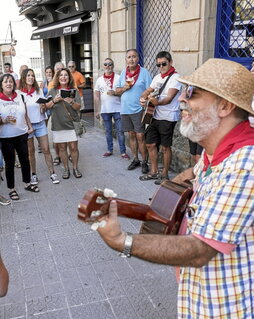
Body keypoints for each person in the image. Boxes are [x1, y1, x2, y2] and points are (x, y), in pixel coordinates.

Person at [90, 58, 254, 318]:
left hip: (223, 307)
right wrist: (170, 187)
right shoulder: (218, 153)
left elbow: (200, 250)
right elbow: (195, 175)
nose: (182, 100)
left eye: (193, 93)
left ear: (224, 106)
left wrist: (122, 241)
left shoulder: (245, 165)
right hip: (199, 295)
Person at [139, 51, 181, 184]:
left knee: (165, 147)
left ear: (170, 62)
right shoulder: (157, 77)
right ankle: (153, 171)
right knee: (150, 144)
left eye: (164, 64)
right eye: (158, 65)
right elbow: (148, 90)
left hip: (168, 117)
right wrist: (143, 97)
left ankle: (164, 174)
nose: (161, 67)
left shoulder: (176, 78)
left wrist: (158, 103)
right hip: (154, 116)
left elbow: (169, 98)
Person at [0, 74, 38, 200]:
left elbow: (25, 114)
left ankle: (27, 183)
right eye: (5, 82)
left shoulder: (20, 96)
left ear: (14, 84)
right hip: (5, 137)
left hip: (22, 134)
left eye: (10, 81)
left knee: (25, 160)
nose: (8, 84)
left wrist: (30, 126)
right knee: (10, 163)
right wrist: (3, 120)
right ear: (1, 84)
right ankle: (12, 189)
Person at [19, 68, 60, 185]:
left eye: (32, 75)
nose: (31, 77)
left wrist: (44, 107)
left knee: (46, 149)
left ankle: (52, 173)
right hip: (27, 126)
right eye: (28, 76)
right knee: (30, 152)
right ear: (24, 78)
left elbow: (45, 105)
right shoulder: (20, 93)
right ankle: (33, 174)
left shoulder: (38, 91)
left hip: (41, 123)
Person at [115, 49, 152, 174]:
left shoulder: (144, 72)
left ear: (138, 58)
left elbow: (151, 90)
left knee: (140, 136)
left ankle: (144, 162)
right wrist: (125, 87)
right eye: (129, 57)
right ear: (126, 59)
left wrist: (145, 100)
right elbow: (117, 91)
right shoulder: (123, 73)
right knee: (131, 135)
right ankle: (136, 159)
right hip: (125, 109)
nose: (131, 59)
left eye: (134, 56)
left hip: (138, 109)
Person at [46, 68, 82, 179]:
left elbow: (78, 107)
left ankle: (75, 168)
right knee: (62, 148)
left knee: (73, 148)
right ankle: (66, 169)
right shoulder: (52, 91)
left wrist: (71, 101)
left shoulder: (73, 90)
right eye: (61, 75)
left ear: (69, 77)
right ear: (58, 77)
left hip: (71, 123)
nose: (63, 77)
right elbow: (46, 106)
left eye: (65, 75)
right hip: (58, 124)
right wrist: (54, 101)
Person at [94, 58, 129, 159]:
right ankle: (110, 150)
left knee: (120, 131)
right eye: (105, 64)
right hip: (105, 110)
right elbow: (96, 96)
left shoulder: (119, 78)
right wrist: (97, 110)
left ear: (113, 66)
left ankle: (123, 151)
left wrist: (115, 93)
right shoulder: (99, 80)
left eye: (110, 64)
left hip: (118, 109)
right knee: (108, 131)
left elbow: (124, 91)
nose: (108, 66)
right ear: (103, 66)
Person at [48, 62, 65, 166]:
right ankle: (57, 155)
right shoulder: (51, 83)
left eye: (61, 69)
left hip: (67, 114)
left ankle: (66, 155)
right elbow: (47, 102)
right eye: (57, 69)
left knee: (67, 138)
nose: (59, 71)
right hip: (55, 113)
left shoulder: (69, 79)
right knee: (56, 137)